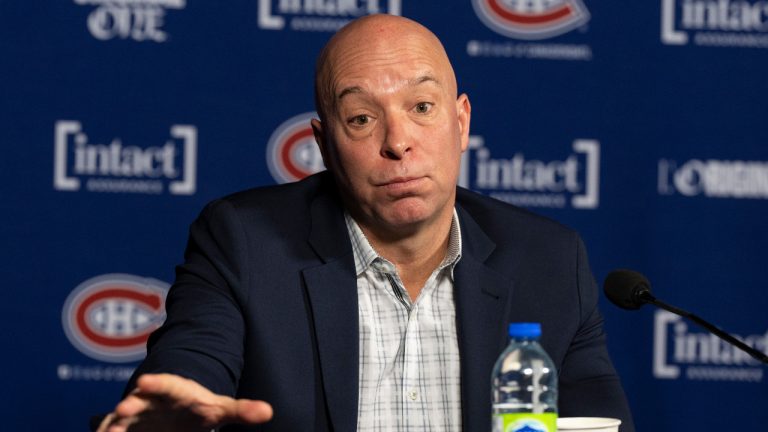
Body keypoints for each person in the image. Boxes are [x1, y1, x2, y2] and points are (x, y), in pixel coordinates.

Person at [98, 14, 634, 432]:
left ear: (461, 120)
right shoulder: (244, 242)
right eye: (360, 118)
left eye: (422, 106)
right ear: (324, 144)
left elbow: (596, 421)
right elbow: (189, 368)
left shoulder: (549, 261)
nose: (397, 142)